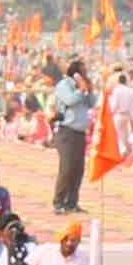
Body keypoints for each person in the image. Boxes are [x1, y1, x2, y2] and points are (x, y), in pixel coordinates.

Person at [48, 55, 96, 214]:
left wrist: (89, 90)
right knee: (67, 168)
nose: (85, 75)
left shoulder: (82, 87)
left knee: (78, 169)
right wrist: (80, 90)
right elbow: (69, 100)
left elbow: (91, 103)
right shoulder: (64, 85)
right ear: (75, 73)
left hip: (80, 133)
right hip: (67, 132)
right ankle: (58, 202)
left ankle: (72, 202)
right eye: (83, 72)